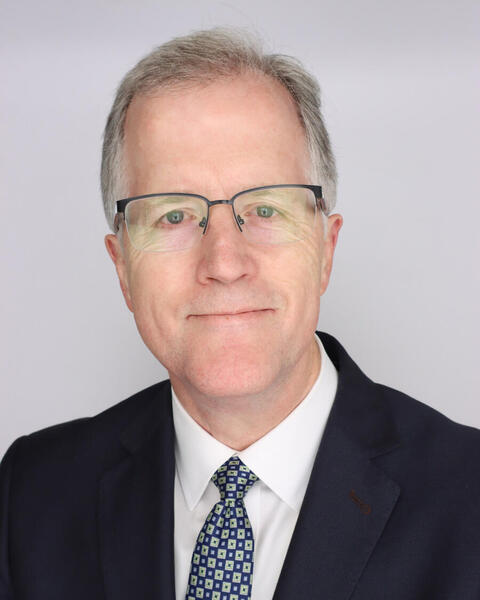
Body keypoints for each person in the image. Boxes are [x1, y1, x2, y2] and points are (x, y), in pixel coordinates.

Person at [1, 28, 479, 600]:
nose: (225, 264)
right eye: (173, 216)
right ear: (122, 265)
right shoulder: (32, 493)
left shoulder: (469, 496)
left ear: (325, 249)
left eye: (266, 209)